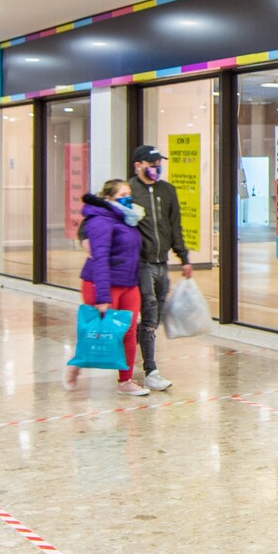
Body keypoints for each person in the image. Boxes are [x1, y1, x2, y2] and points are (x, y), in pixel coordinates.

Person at [71, 179, 151, 396]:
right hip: (102, 284)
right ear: (108, 199)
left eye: (129, 193)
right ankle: (75, 366)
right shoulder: (100, 221)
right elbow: (100, 259)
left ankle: (125, 381)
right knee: (97, 331)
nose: (127, 198)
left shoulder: (126, 219)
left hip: (128, 284)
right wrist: (103, 295)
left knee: (128, 331)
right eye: (121, 194)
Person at [127, 144, 193, 392]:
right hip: (141, 264)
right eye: (152, 164)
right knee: (150, 314)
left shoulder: (168, 190)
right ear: (138, 165)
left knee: (153, 317)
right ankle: (151, 370)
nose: (156, 167)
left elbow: (175, 225)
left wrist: (184, 257)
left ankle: (131, 351)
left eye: (158, 163)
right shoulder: (129, 190)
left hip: (161, 263)